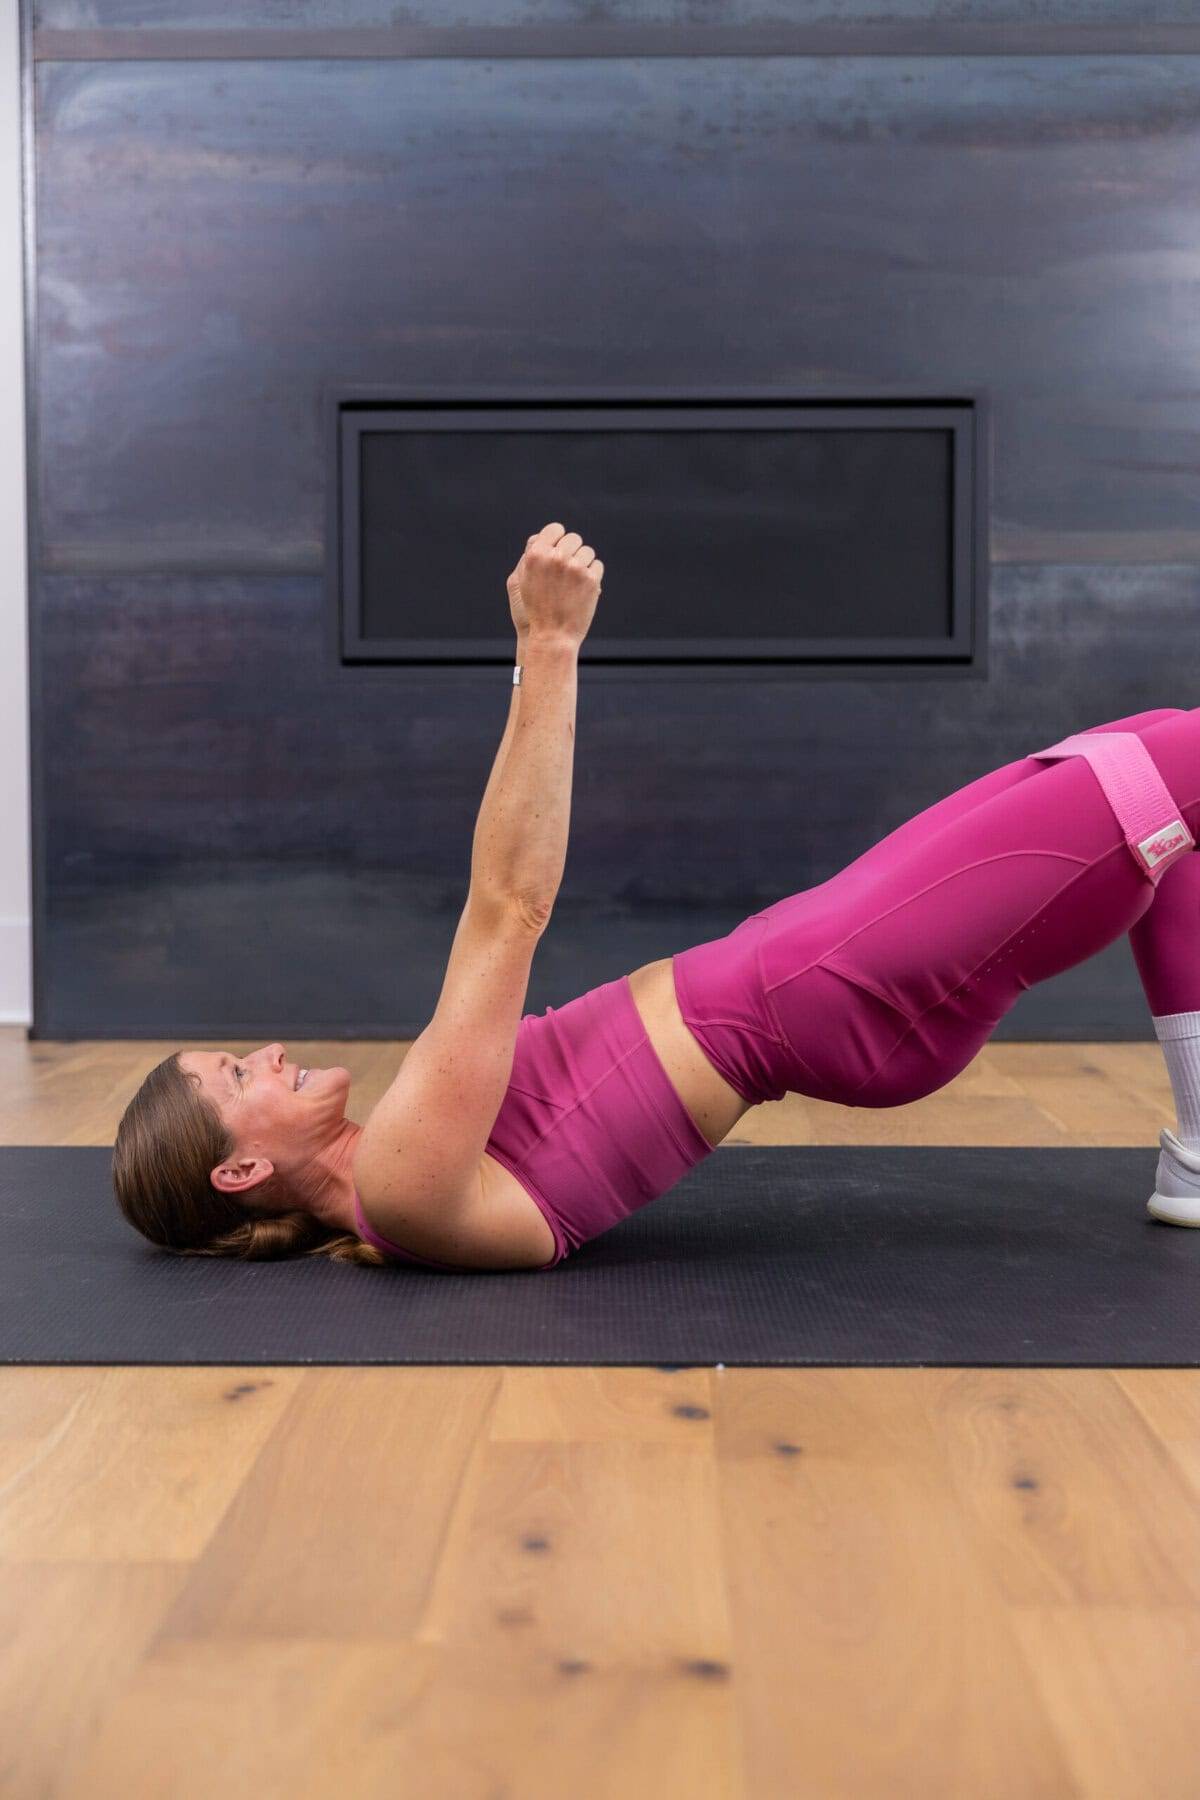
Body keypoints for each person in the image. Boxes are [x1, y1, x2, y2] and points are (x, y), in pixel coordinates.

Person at [113, 523, 1200, 1271]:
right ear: (242, 1166)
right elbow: (510, 906)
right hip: (829, 993)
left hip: (805, 966)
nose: (258, 1052)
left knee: (1144, 756)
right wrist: (547, 645)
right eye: (233, 1075)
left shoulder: (396, 1172)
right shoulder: (396, 1186)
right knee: (1179, 764)